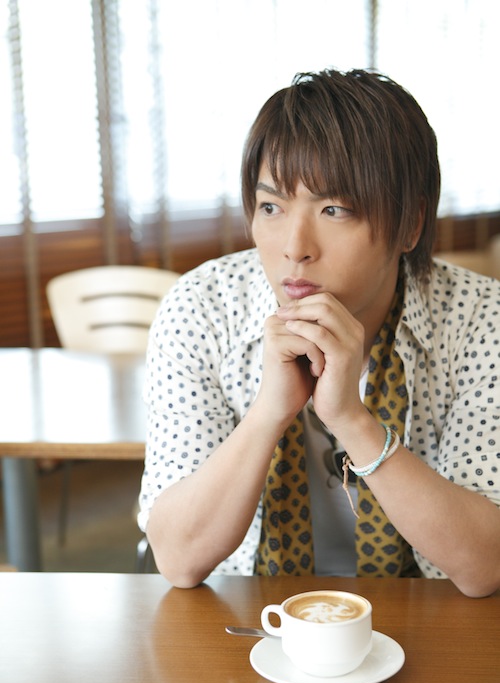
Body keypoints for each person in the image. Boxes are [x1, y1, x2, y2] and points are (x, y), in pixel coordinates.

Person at [138, 68, 500, 596]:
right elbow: (179, 559)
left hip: (427, 613)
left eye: (334, 209)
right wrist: (269, 411)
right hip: (249, 615)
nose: (294, 247)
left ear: (411, 224)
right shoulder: (202, 309)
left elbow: (484, 566)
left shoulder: (481, 319)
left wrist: (351, 419)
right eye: (271, 207)